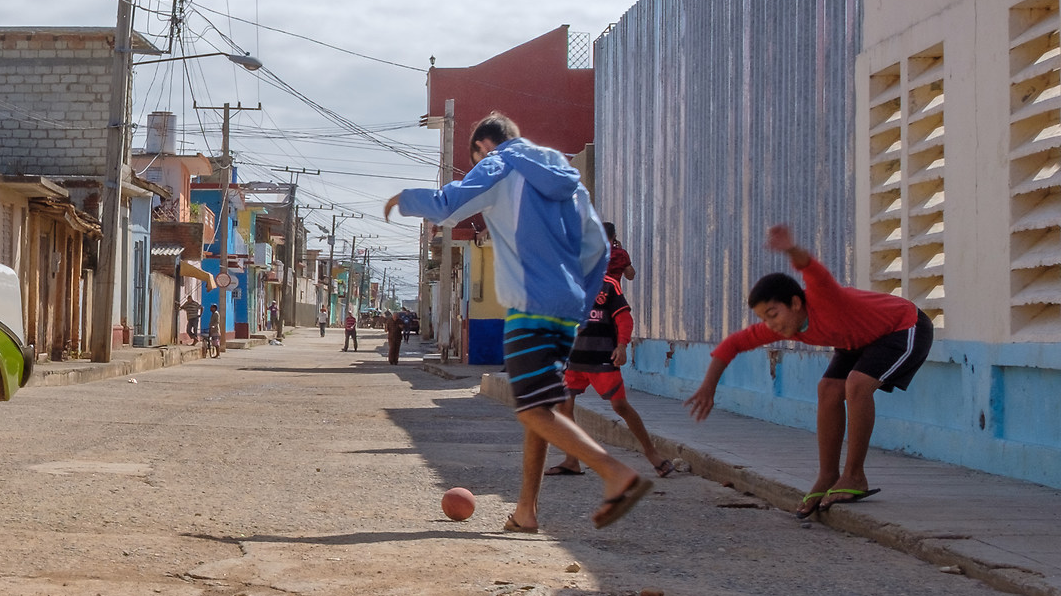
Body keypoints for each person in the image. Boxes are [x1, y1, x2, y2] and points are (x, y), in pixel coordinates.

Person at [386, 112, 652, 532]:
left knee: (531, 410)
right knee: (541, 406)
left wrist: (404, 199)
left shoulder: (499, 164)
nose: (477, 163)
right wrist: (579, 301)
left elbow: (449, 205)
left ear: (484, 147)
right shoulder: (564, 172)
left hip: (529, 305)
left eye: (476, 157)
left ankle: (615, 474)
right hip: (567, 308)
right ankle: (526, 511)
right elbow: (597, 246)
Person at [685, 224, 931, 518]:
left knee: (856, 384)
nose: (771, 324)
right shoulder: (789, 328)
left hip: (904, 326)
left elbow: (810, 268)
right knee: (827, 390)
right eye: (765, 318)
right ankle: (828, 475)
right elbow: (734, 344)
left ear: (796, 302)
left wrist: (790, 248)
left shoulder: (823, 297)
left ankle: (854, 476)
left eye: (773, 314)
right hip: (858, 340)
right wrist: (708, 386)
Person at [539, 244, 672, 481]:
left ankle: (653, 454)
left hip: (602, 360)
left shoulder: (609, 285)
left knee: (620, 406)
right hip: (574, 361)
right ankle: (572, 460)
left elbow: (624, 318)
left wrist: (622, 345)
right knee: (564, 407)